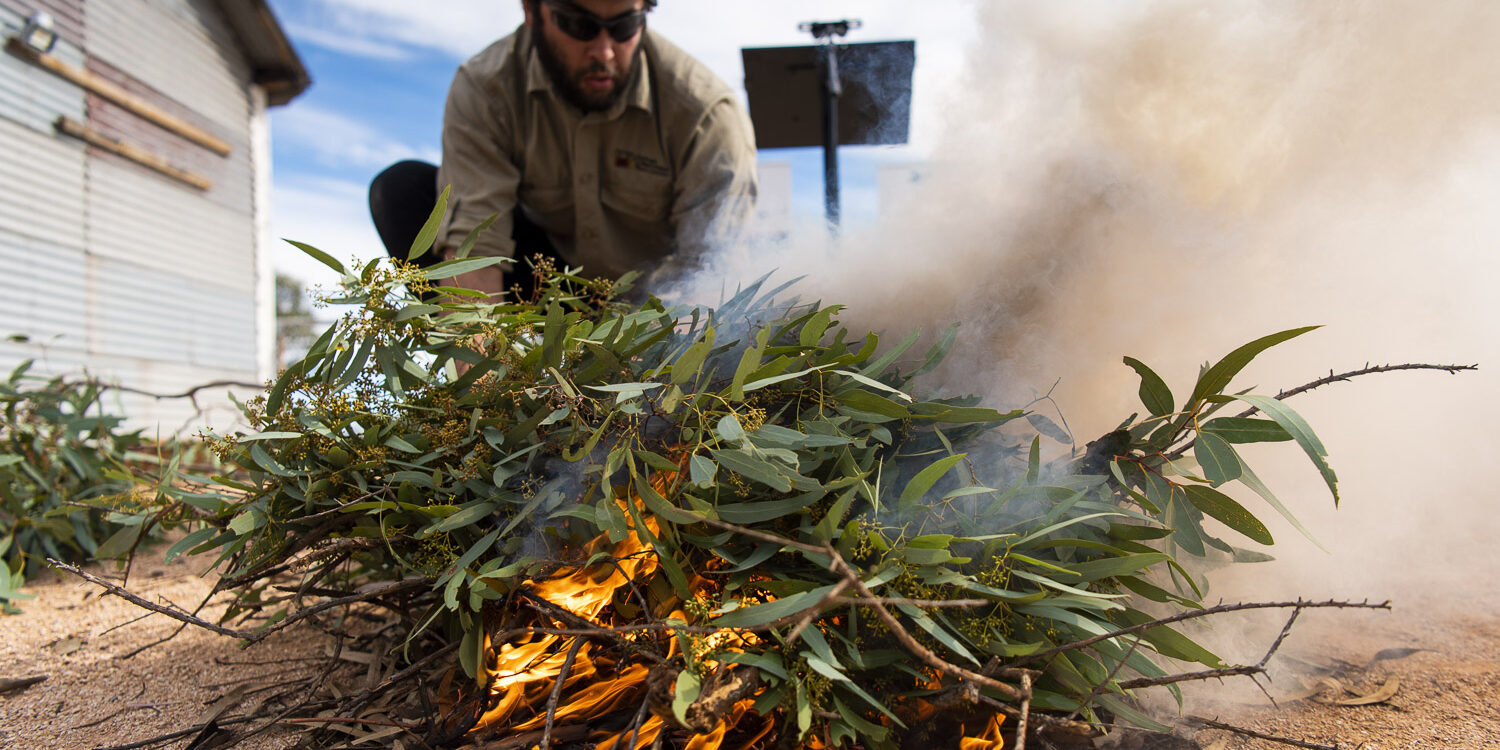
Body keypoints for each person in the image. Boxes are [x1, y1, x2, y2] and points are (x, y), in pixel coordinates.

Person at [369, 0, 758, 300]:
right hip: (542, 289)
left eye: (624, 26)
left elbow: (711, 277)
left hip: (650, 313)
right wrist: (485, 386)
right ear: (531, 11)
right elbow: (474, 252)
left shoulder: (706, 115)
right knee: (402, 191)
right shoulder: (486, 90)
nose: (604, 52)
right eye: (579, 25)